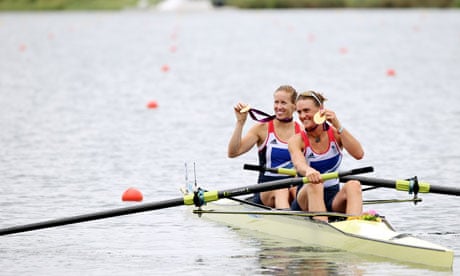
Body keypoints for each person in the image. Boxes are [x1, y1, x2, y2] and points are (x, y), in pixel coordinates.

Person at [288, 90, 364, 221]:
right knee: (316, 183)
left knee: (354, 185)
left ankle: (355, 226)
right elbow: (298, 163)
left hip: (333, 198)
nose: (302, 116)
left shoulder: (336, 134)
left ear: (321, 110)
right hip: (305, 199)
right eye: (299, 112)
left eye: (307, 110)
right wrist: (308, 170)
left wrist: (338, 125)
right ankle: (322, 228)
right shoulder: (296, 140)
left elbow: (359, 154)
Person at [228, 85, 302, 209]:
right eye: (276, 102)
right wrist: (240, 122)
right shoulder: (262, 129)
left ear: (294, 106)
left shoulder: (302, 131)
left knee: (299, 190)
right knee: (281, 190)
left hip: (293, 187)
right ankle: (287, 220)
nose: (278, 107)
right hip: (265, 191)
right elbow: (233, 153)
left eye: (283, 103)